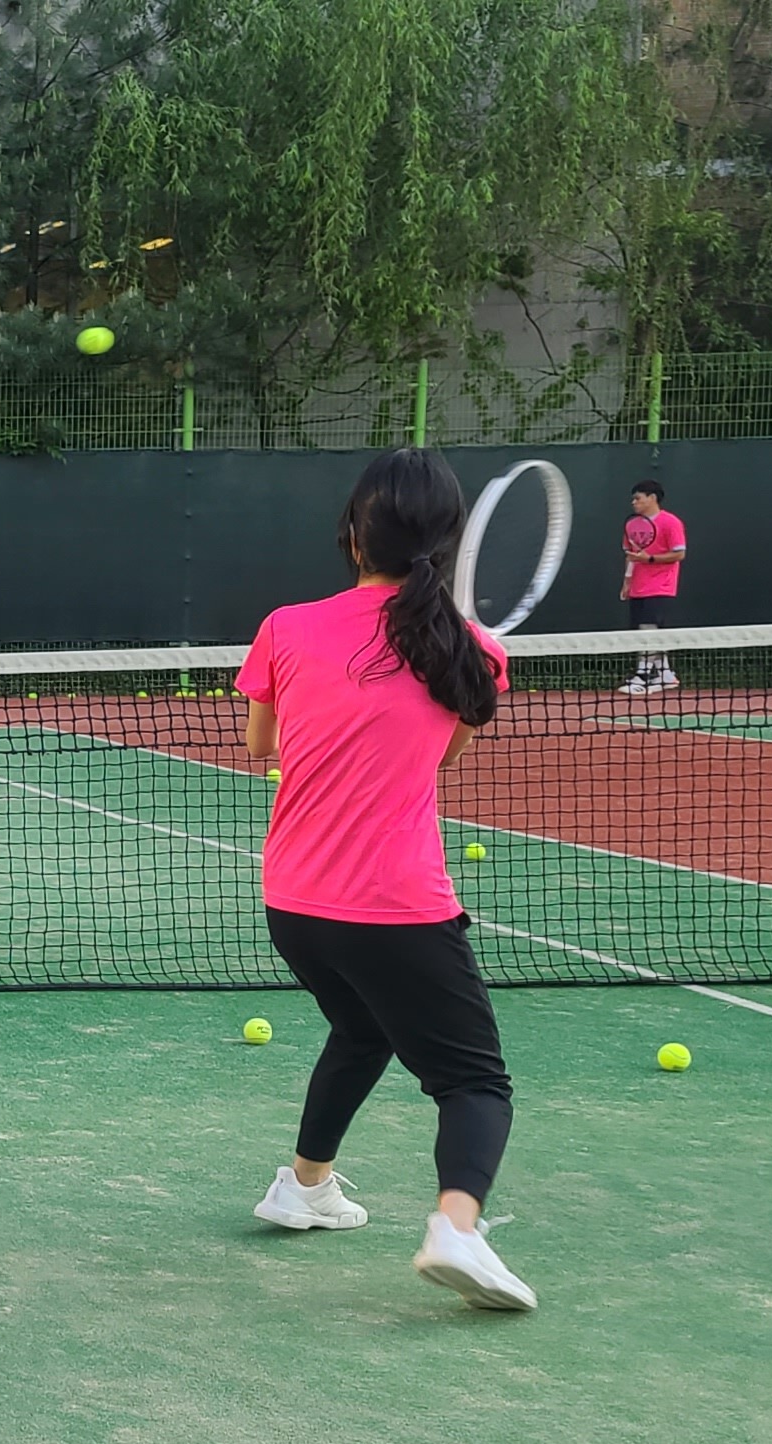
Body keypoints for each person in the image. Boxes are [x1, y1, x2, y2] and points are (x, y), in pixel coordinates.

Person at [235, 447, 535, 1312]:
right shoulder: (472, 653)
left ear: (353, 534)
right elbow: (443, 756)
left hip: (294, 903)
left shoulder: (286, 627)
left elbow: (262, 745)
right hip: (396, 907)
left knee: (362, 1030)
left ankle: (304, 1187)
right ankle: (457, 1229)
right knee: (474, 1083)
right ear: (446, 541)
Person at [617, 480, 686, 694]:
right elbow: (631, 556)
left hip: (661, 585)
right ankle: (666, 674)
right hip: (638, 586)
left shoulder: (671, 522)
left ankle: (643, 674)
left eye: (638, 498)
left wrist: (650, 559)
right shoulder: (632, 525)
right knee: (646, 630)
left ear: (652, 498)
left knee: (648, 628)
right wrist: (627, 582)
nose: (634, 502)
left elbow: (679, 554)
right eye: (633, 499)